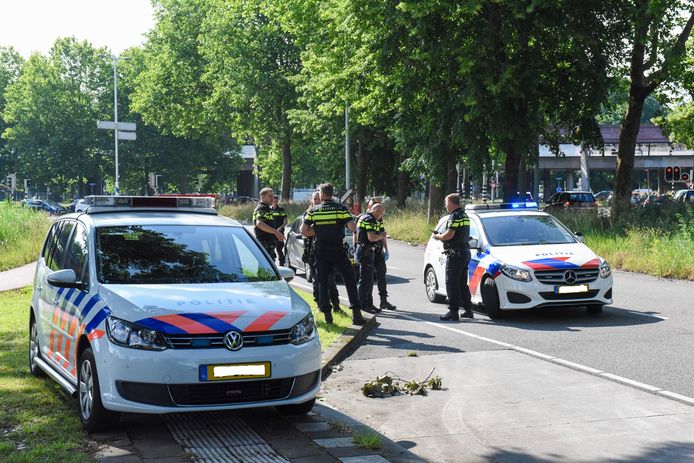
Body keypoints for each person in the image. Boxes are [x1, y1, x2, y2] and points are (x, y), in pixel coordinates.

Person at [302, 183, 366, 325]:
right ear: (331, 194)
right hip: (337, 250)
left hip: (321, 252)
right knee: (349, 279)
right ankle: (356, 314)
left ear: (322, 194)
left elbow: (304, 231)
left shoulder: (313, 211)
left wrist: (318, 230)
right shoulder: (341, 209)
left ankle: (327, 315)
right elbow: (353, 227)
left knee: (323, 283)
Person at [432, 193, 473, 321]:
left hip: (455, 254)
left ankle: (453, 311)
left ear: (451, 203)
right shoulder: (464, 215)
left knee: (452, 283)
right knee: (462, 283)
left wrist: (437, 236)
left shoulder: (454, 216)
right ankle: (468, 310)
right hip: (465, 252)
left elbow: (449, 235)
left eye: (446, 203)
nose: (445, 206)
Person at [303, 191, 343, 315]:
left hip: (328, 251)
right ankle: (321, 305)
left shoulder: (328, 212)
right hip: (313, 252)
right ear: (311, 201)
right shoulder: (309, 213)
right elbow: (305, 232)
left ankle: (336, 306)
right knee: (317, 282)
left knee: (331, 280)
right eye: (314, 199)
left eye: (318, 198)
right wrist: (322, 230)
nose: (316, 201)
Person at [366, 197, 396, 311]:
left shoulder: (379, 219)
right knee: (368, 278)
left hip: (378, 250)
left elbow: (383, 234)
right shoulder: (365, 218)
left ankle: (383, 301)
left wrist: (386, 249)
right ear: (371, 207)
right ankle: (368, 302)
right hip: (368, 250)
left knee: (382, 275)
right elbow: (356, 234)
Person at [253, 187, 285, 259]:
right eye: (270, 196)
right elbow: (259, 224)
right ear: (262, 197)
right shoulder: (262, 208)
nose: (272, 198)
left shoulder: (268, 209)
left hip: (269, 245)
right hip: (264, 244)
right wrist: (276, 232)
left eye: (273, 196)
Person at [269, 195, 288, 266]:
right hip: (271, 233)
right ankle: (272, 265)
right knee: (271, 250)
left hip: (280, 233)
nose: (275, 203)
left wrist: (280, 228)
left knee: (279, 249)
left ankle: (282, 265)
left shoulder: (281, 209)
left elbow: (286, 221)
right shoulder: (269, 209)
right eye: (274, 201)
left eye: (276, 201)